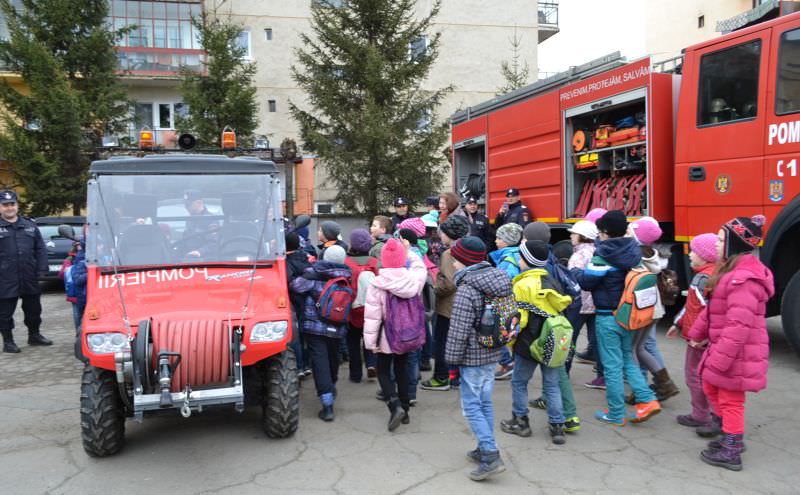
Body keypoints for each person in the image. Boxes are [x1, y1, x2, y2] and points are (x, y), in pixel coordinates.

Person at [687, 215, 772, 471]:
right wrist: (697, 332)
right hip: (725, 349)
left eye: (721, 239)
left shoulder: (743, 280)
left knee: (731, 401)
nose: (716, 244)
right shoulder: (730, 272)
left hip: (736, 353)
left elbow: (738, 326)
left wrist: (720, 360)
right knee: (713, 389)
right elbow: (713, 309)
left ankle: (732, 449)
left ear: (735, 244)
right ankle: (728, 434)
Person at [572, 210, 661, 426]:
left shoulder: (603, 255)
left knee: (612, 365)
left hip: (607, 316)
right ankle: (647, 400)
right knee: (627, 359)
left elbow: (587, 282)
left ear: (604, 232)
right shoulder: (632, 251)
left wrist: (574, 271)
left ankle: (615, 412)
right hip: (628, 313)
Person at [445, 236, 508, 481]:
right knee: (484, 402)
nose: (452, 264)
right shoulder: (498, 279)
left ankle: (491, 455)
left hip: (471, 357)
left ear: (465, 261)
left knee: (471, 406)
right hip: (492, 351)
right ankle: (484, 447)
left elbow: (459, 331)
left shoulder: (467, 289)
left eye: (455, 260)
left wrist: (451, 360)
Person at [501, 240, 575, 445]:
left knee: (519, 382)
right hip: (552, 340)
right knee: (552, 385)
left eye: (520, 257)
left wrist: (509, 342)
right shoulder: (552, 280)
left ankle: (520, 421)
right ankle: (557, 426)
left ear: (526, 260)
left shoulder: (521, 284)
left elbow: (519, 319)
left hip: (528, 342)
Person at [363, 238, 427, 431]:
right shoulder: (413, 279)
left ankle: (394, 405)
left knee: (383, 371)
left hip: (386, 336)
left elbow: (372, 317)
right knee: (402, 369)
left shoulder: (377, 283)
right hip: (407, 333)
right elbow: (420, 267)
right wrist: (408, 251)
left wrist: (370, 342)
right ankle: (406, 410)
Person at [290, 245, 352, 421]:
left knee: (319, 360)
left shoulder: (313, 274)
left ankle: (327, 404)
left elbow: (296, 287)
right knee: (333, 358)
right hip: (338, 324)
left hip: (314, 325)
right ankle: (331, 386)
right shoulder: (347, 275)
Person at [667, 233, 718, 429]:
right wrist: (678, 323)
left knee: (694, 375)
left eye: (694, 252)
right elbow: (693, 306)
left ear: (704, 256)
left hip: (699, 339)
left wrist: (701, 335)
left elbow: (703, 310)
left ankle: (702, 415)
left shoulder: (702, 278)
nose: (689, 255)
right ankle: (714, 416)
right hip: (706, 337)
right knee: (708, 376)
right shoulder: (715, 273)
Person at [627, 217, 679, 403]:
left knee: (632, 350)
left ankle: (641, 391)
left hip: (642, 309)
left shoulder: (635, 256)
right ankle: (664, 384)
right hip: (654, 309)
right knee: (641, 348)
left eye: (631, 231)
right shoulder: (652, 256)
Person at [421, 215, 470, 391]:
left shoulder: (449, 253)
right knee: (459, 343)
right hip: (464, 304)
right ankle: (456, 378)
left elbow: (449, 281)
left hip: (448, 306)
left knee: (442, 343)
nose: (440, 235)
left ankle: (441, 378)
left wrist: (436, 288)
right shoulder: (468, 248)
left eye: (442, 231)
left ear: (449, 233)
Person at [0, 190, 51, 353]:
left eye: (12, 204)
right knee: (4, 313)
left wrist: (42, 268)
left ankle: (34, 336)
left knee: (34, 310)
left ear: (17, 205)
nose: (9, 208)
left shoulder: (30, 225)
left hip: (29, 276)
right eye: (5, 205)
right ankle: (8, 342)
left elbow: (40, 248)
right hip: (5, 278)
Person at [488, 222, 523, 380]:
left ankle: (507, 363)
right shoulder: (517, 254)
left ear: (507, 240)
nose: (495, 240)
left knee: (497, 333)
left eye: (499, 238)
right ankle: (514, 363)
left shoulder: (507, 261)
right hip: (517, 302)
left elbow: (502, 284)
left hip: (506, 302)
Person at [344, 229, 379, 382]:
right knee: (369, 339)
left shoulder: (346, 263)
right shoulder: (375, 262)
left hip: (352, 309)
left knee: (352, 343)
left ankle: (355, 374)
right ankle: (371, 364)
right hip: (371, 309)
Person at [567, 221, 601, 376]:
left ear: (582, 236)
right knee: (597, 340)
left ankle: (564, 372)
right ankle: (602, 374)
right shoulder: (597, 251)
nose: (571, 236)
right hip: (595, 302)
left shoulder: (578, 256)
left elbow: (573, 281)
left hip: (579, 303)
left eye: (574, 233)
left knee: (569, 339)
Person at [285, 232, 312, 377]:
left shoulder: (285, 261)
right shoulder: (305, 258)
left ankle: (299, 366)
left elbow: (287, 281)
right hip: (307, 300)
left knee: (295, 335)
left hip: (292, 301)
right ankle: (308, 365)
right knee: (306, 334)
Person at [181, 189, 220, 258]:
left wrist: (200, 252)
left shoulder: (211, 220)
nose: (186, 207)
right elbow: (185, 240)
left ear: (199, 203)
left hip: (205, 261)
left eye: (188, 204)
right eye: (185, 204)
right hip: (188, 258)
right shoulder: (190, 219)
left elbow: (214, 243)